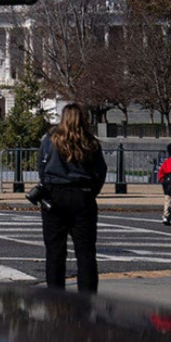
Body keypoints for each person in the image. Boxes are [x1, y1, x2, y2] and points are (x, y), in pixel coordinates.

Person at [37, 103, 107, 292]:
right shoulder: (90, 142)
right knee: (85, 253)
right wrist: (92, 191)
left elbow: (41, 167)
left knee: (55, 252)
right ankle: (86, 300)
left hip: (55, 195)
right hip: (82, 195)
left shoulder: (50, 140)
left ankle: (56, 299)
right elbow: (101, 171)